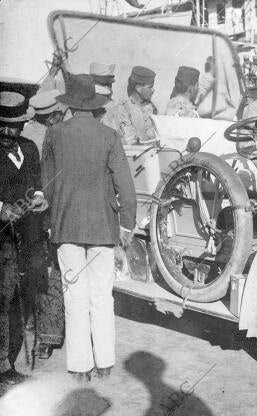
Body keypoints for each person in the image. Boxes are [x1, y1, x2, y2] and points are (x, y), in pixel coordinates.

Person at [41, 74, 137, 383]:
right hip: (103, 228)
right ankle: (105, 363)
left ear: (68, 103)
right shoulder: (109, 135)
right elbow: (127, 188)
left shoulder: (54, 135)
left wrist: (49, 224)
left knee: (74, 297)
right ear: (94, 104)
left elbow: (47, 187)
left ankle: (80, 368)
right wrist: (127, 225)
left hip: (66, 226)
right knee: (102, 296)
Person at [0, 91, 48, 385]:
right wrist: (1, 208)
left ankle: (8, 361)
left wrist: (39, 198)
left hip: (24, 237)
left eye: (13, 126)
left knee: (18, 296)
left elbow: (37, 183)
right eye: (2, 125)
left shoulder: (29, 149)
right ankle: (3, 367)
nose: (7, 132)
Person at [103, 65, 157, 144]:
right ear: (138, 88)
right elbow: (127, 141)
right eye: (150, 87)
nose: (153, 90)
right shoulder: (122, 108)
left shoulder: (152, 108)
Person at [21, 89, 66, 155]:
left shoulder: (26, 129)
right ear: (52, 119)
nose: (63, 117)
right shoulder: (51, 139)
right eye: (61, 114)